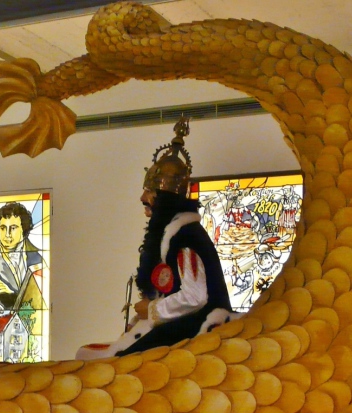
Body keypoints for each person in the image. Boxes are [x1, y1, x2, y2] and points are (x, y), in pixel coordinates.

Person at [77, 117, 236, 359]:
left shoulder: (185, 236)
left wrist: (151, 310)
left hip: (199, 322)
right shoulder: (177, 233)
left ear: (163, 199)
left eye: (149, 192)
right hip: (185, 319)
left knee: (126, 361)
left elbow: (194, 297)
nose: (143, 198)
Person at [0, 202, 43, 310]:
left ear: (24, 229)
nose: (7, 234)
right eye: (3, 228)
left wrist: (12, 294)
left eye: (13, 228)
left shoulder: (36, 259)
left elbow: (40, 301)